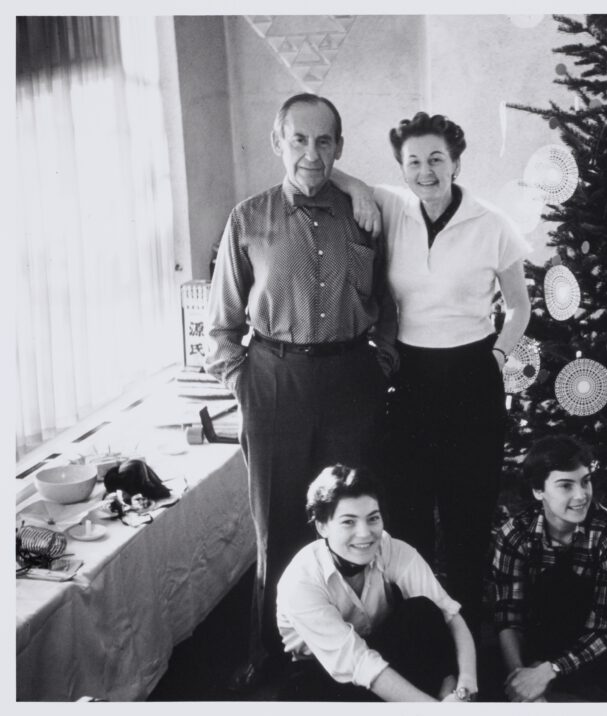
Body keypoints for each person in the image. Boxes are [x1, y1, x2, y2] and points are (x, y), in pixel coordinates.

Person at [205, 93, 398, 690]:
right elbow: (222, 325)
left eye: (323, 141)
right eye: (299, 140)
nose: (311, 153)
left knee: (354, 522)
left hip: (349, 382)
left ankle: (359, 647)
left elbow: (388, 304)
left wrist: (380, 366)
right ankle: (275, 652)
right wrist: (246, 383)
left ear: (339, 148)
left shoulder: (364, 216)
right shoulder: (248, 219)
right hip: (273, 382)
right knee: (279, 522)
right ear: (277, 142)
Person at [333, 111, 531, 634]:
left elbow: (519, 308)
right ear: (401, 169)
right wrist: (356, 187)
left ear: (456, 163)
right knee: (411, 506)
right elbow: (327, 167)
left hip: (472, 373)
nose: (426, 171)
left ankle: (464, 620)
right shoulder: (393, 208)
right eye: (413, 161)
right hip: (411, 374)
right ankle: (418, 623)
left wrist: (497, 355)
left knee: (469, 506)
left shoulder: (492, 224)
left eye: (436, 159)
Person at [277, 465, 478, 702]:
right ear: (322, 526)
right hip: (326, 671)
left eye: (373, 518)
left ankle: (447, 689)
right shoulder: (301, 580)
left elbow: (451, 616)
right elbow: (359, 664)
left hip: (379, 655)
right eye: (348, 522)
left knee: (423, 610)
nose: (365, 534)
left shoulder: (391, 549)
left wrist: (466, 686)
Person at [490, 435, 607, 702]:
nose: (581, 495)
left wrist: (552, 669)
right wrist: (523, 680)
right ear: (538, 491)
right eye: (566, 486)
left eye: (585, 481)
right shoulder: (514, 533)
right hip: (533, 647)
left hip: (589, 650)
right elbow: (509, 616)